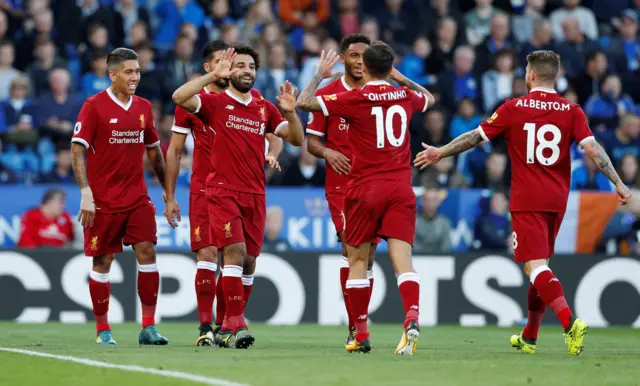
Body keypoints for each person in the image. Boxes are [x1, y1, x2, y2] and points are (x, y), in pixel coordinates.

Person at [415, 50, 632, 356]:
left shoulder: (513, 108)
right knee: (541, 266)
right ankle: (530, 336)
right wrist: (619, 183)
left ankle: (570, 322)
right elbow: (593, 149)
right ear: (553, 76)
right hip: (557, 200)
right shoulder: (572, 111)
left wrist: (441, 152)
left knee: (535, 267)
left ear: (530, 75)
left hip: (527, 198)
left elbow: (474, 138)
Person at [296, 42, 434, 354]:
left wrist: (318, 76)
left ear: (367, 67)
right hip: (400, 188)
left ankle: (360, 333)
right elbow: (429, 98)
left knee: (357, 260)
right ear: (390, 67)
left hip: (364, 188)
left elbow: (304, 102)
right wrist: (400, 78)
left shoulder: (354, 97)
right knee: (404, 263)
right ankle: (411, 316)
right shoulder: (404, 95)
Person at [172, 45, 304, 349]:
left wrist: (291, 113)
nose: (247, 71)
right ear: (229, 71)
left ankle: (229, 324)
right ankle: (235, 323)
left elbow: (296, 139)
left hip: (255, 193)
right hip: (221, 191)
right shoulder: (213, 103)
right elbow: (179, 97)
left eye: (251, 67)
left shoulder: (263, 107)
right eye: (240, 66)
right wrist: (211, 77)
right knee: (233, 251)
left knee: (249, 261)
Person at [70, 48, 169, 346]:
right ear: (112, 74)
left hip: (137, 196)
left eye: (137, 71)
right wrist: (85, 192)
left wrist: (167, 190)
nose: (135, 77)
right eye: (129, 72)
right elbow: (78, 150)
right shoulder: (94, 106)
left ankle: (148, 327)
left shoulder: (143, 107)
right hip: (102, 201)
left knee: (147, 251)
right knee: (103, 261)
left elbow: (154, 150)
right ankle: (103, 330)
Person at [305, 34, 381, 346]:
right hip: (341, 185)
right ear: (344, 59)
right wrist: (328, 153)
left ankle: (358, 321)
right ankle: (356, 327)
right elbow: (312, 142)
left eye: (365, 56)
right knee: (351, 249)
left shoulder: (381, 94)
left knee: (370, 255)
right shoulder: (329, 94)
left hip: (375, 183)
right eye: (353, 55)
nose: (359, 61)